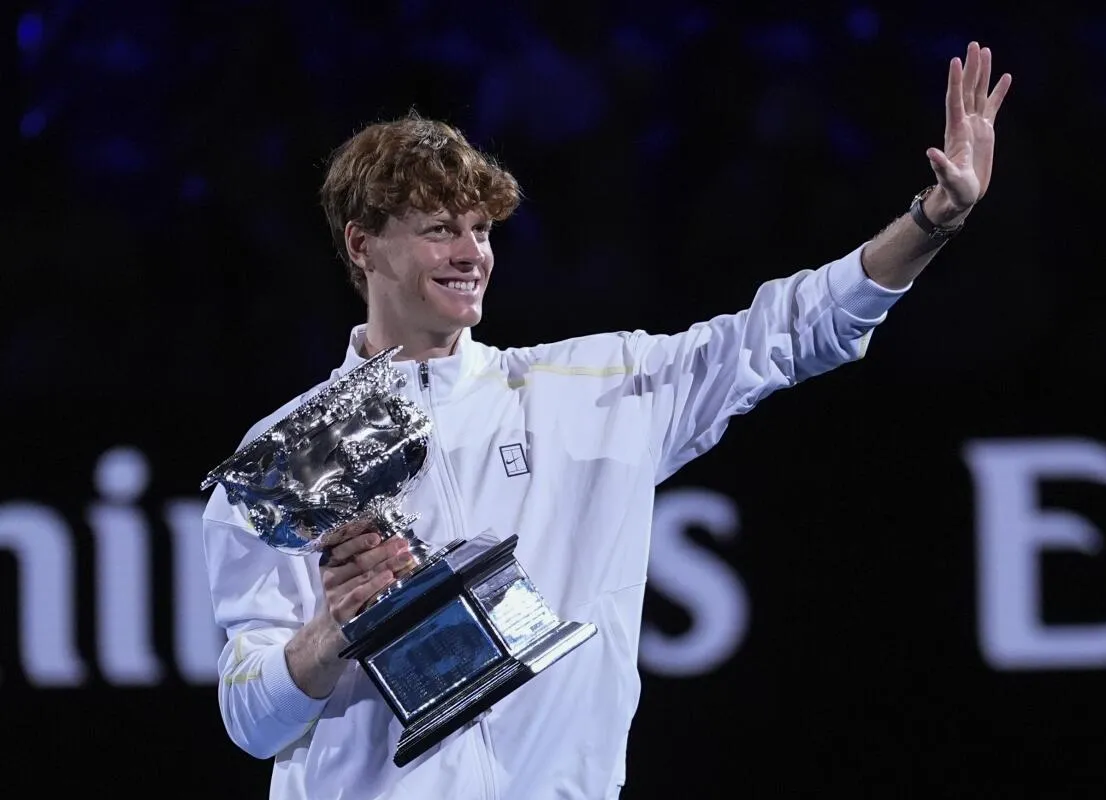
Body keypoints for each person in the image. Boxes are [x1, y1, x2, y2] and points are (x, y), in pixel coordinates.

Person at [202, 41, 1011, 799]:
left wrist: (932, 220)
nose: (471, 253)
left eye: (481, 230)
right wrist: (330, 634)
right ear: (363, 245)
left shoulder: (590, 386)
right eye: (439, 229)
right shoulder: (289, 458)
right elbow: (250, 718)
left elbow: (790, 331)